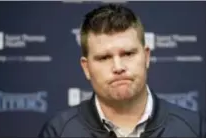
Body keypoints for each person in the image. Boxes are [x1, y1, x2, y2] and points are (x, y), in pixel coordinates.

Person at [38, 4, 205, 138]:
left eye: (128, 54)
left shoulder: (193, 128)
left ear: (146, 57)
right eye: (104, 58)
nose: (118, 67)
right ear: (86, 68)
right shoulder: (59, 131)